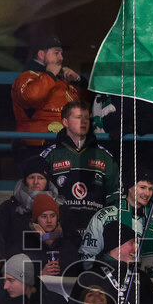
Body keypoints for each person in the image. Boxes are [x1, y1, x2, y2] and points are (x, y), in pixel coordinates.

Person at [39, 100, 120, 236]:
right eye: (78, 117)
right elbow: (39, 195)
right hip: (60, 232)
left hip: (96, 232)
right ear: (65, 122)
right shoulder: (50, 155)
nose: (84, 122)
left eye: (87, 118)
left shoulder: (104, 156)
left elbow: (115, 194)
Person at [11, 34, 88, 161]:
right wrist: (50, 74)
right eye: (56, 53)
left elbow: (89, 104)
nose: (61, 58)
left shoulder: (60, 80)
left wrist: (78, 80)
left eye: (61, 54)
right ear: (41, 55)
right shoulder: (27, 77)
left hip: (65, 146)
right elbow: (32, 96)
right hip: (36, 148)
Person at [79, 170, 153, 277]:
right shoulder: (104, 216)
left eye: (150, 189)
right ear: (129, 188)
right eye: (142, 187)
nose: (147, 193)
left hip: (147, 285)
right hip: (110, 284)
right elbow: (87, 257)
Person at [0, 156, 61, 254]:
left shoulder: (59, 206)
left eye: (40, 178)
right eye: (31, 177)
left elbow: (70, 239)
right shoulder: (8, 208)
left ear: (47, 181)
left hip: (52, 263)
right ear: (25, 180)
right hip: (16, 262)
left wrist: (46, 237)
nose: (36, 182)